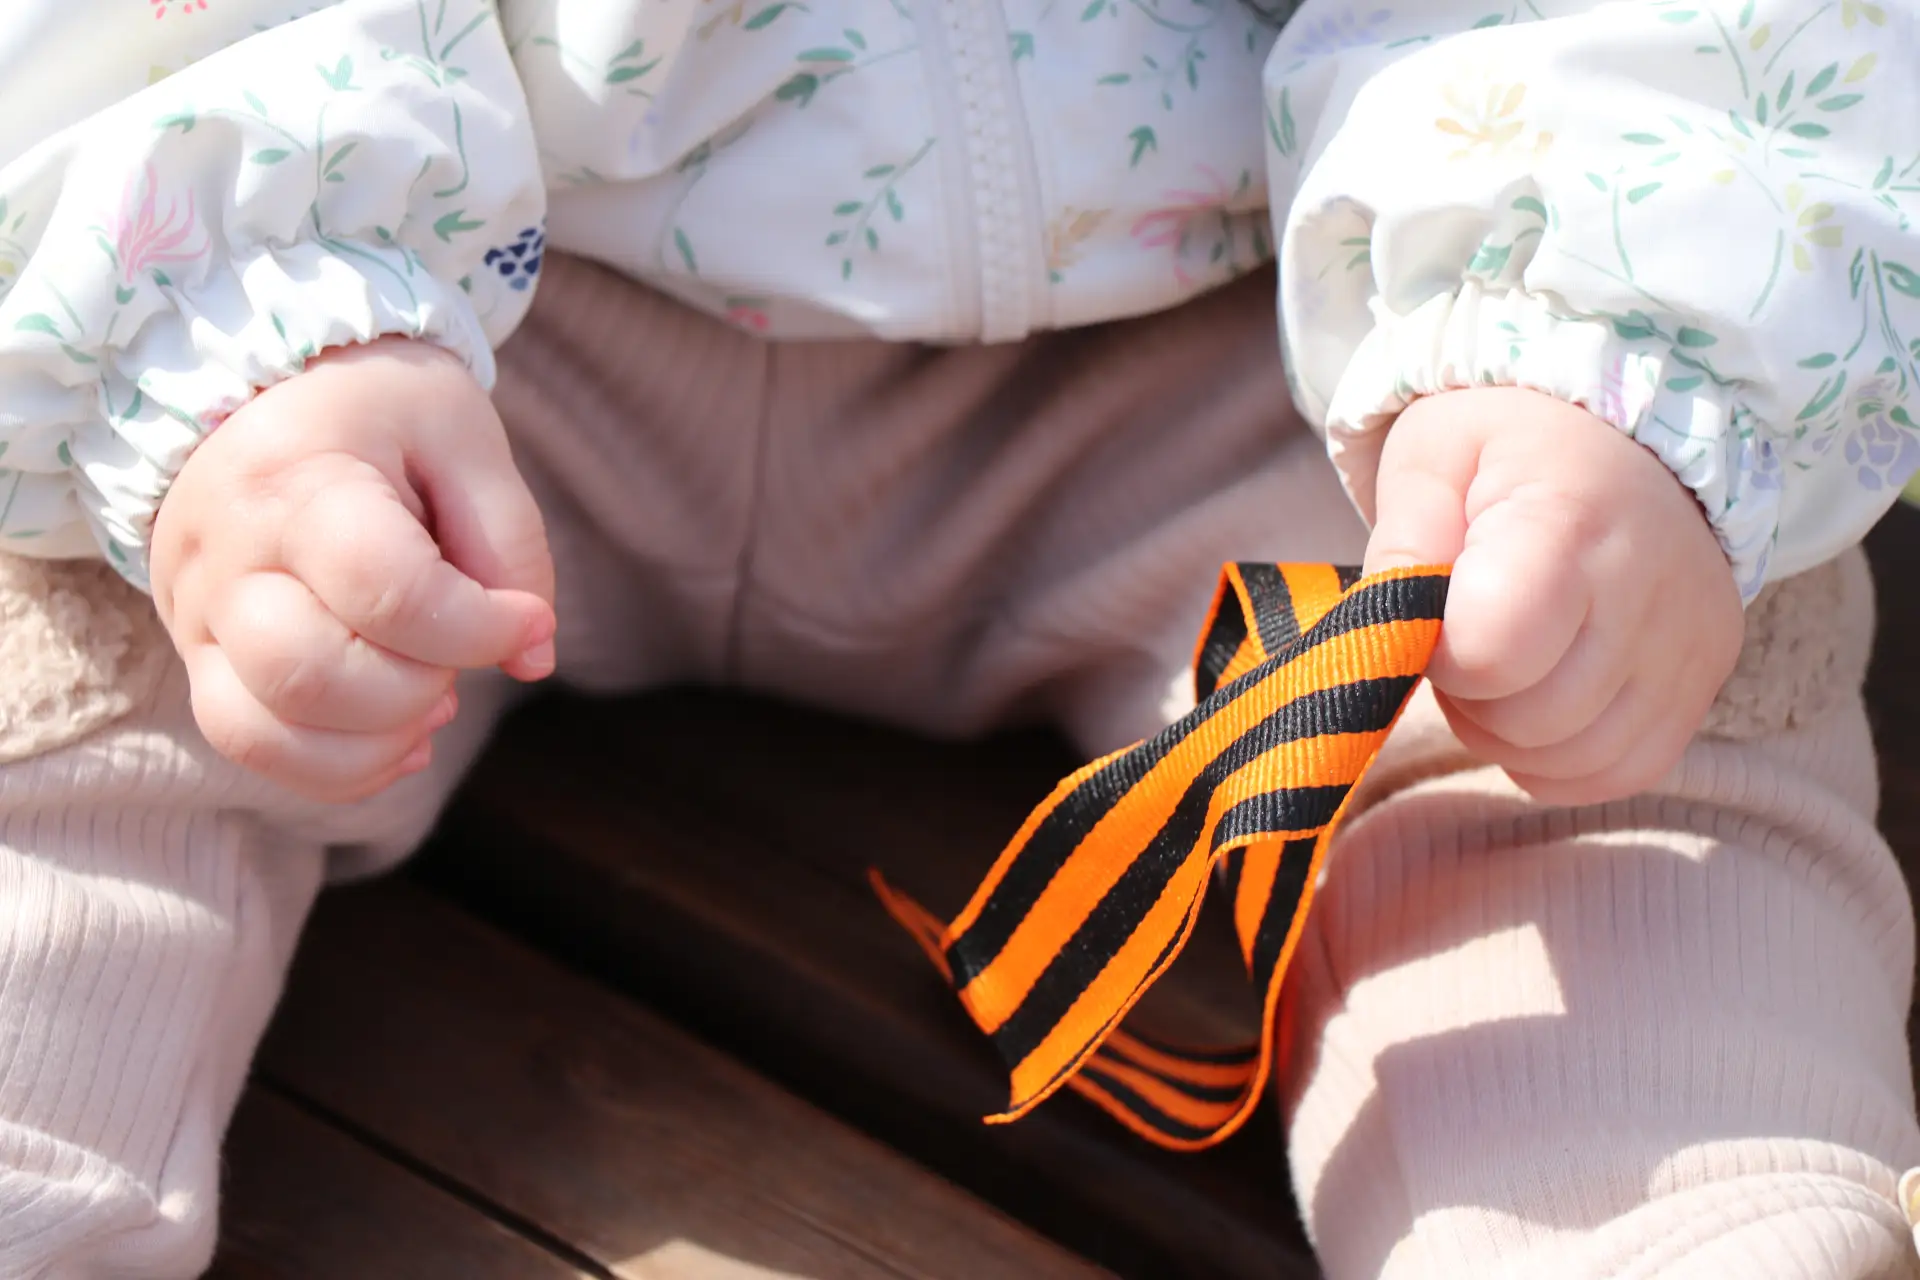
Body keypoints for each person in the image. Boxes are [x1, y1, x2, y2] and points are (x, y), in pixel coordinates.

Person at [0, 0, 1915, 1274]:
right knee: (96, 633)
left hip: (1278, 333)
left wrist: (1595, 336)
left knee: (1575, 665)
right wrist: (236, 329)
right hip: (456, 306)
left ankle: (1674, 1220)